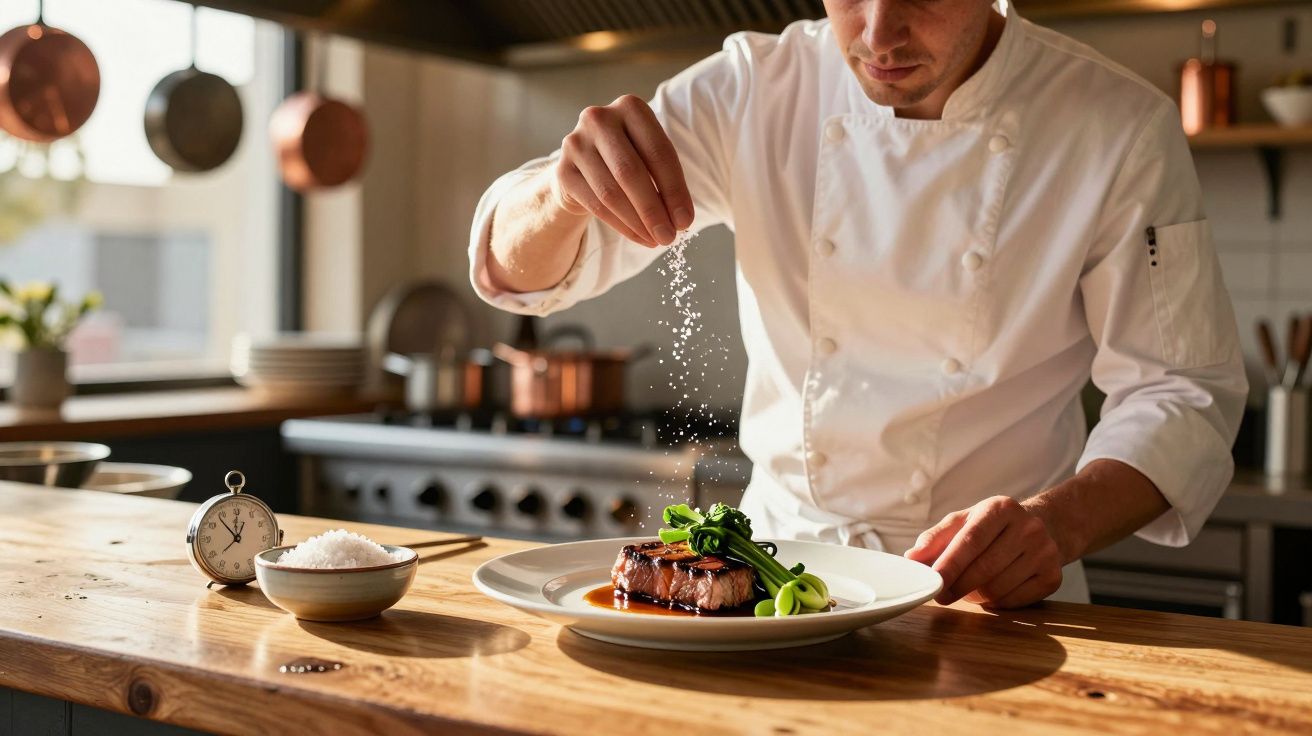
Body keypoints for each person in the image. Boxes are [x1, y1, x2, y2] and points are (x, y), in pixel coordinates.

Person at [466, 0, 1246, 607]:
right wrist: (559, 194)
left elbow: (1180, 389)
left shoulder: (1117, 125)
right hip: (769, 591)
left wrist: (1053, 526)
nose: (880, 33)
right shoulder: (753, 90)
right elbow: (518, 269)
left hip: (993, 600)